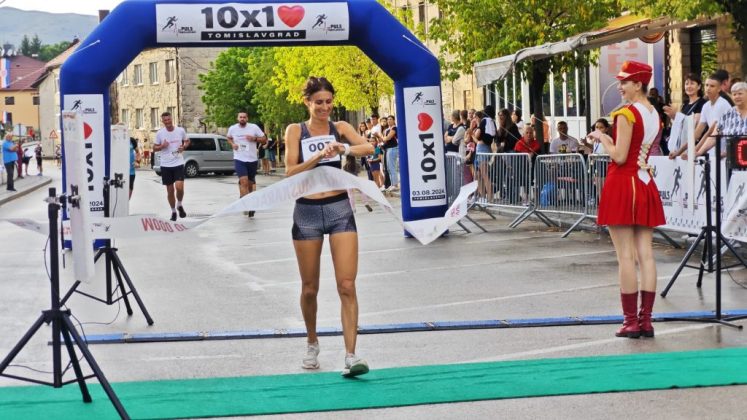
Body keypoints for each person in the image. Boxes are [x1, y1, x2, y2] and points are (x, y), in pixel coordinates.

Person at [283, 76, 374, 377]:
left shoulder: (341, 127)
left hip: (339, 210)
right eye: (318, 102)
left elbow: (369, 148)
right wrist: (318, 157)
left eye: (329, 102)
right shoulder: (295, 130)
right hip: (307, 212)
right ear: (307, 102)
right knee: (310, 288)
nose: (324, 107)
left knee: (347, 285)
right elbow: (290, 171)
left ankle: (351, 355)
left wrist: (343, 149)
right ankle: (312, 343)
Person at [589, 60, 665, 339]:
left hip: (623, 182)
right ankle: (646, 321)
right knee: (646, 254)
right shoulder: (654, 114)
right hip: (644, 181)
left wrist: (602, 138)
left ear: (638, 84)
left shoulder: (626, 113)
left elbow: (620, 156)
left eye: (625, 82)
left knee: (625, 257)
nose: (620, 86)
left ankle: (630, 321)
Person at [673, 73, 733, 159]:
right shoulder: (706, 106)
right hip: (711, 150)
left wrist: (695, 152)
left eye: (712, 86)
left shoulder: (722, 104)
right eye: (707, 85)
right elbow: (697, 134)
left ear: (719, 89)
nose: (708, 88)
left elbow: (713, 133)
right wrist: (679, 152)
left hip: (725, 151)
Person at [226, 111, 267, 218]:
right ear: (237, 118)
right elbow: (228, 138)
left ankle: (248, 200)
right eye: (240, 117)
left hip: (252, 159)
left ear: (247, 118)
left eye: (244, 117)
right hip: (239, 159)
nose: (242, 119)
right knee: (243, 181)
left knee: (250, 184)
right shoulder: (233, 128)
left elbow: (264, 140)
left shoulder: (254, 127)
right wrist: (232, 144)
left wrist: (254, 139)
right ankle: (248, 204)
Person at [153, 111, 190, 221]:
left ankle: (179, 204)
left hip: (178, 163)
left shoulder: (180, 130)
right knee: (170, 191)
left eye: (168, 119)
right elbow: (154, 148)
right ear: (163, 121)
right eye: (165, 120)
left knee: (179, 187)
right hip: (166, 165)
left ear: (171, 119)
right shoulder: (160, 133)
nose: (167, 122)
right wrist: (162, 146)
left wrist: (184, 147)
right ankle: (173, 211)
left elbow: (187, 141)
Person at [382, 115, 399, 191]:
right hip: (388, 149)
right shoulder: (387, 130)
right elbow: (384, 139)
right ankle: (393, 184)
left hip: (393, 149)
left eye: (390, 119)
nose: (389, 121)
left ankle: (395, 185)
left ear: (394, 120)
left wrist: (384, 138)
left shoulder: (394, 128)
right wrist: (384, 138)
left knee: (392, 167)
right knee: (389, 168)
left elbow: (388, 138)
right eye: (388, 119)